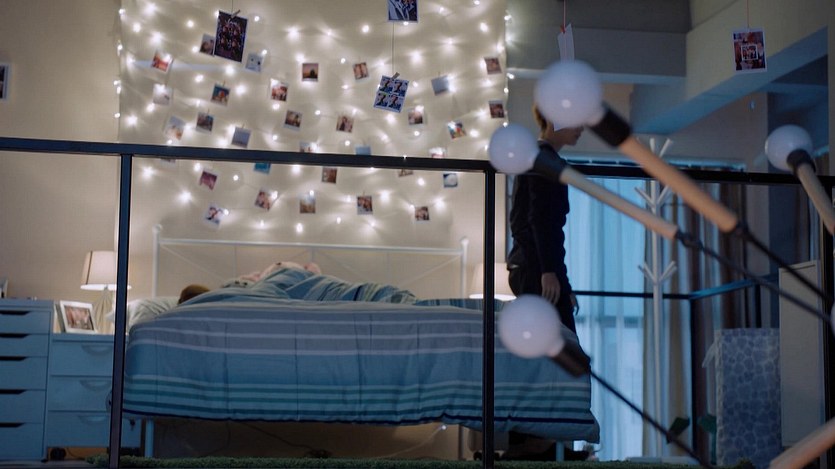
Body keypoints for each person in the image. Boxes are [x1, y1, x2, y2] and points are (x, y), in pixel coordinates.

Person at [504, 105, 586, 461]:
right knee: (560, 357)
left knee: (553, 356)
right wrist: (550, 272)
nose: (581, 127)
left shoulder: (541, 157)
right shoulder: (542, 158)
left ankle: (547, 443)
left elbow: (541, 225)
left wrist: (561, 279)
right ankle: (540, 444)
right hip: (535, 270)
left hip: (536, 268)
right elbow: (538, 219)